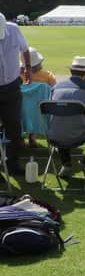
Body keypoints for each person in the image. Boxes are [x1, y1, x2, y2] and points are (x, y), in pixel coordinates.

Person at [0, 12, 31, 177]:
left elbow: (25, 49)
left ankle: (12, 163)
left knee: (14, 127)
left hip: (11, 86)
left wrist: (27, 68)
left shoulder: (13, 29)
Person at [20, 47, 56, 148]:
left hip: (21, 112)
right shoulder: (48, 76)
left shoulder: (17, 76)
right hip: (40, 112)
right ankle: (32, 137)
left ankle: (20, 137)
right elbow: (55, 91)